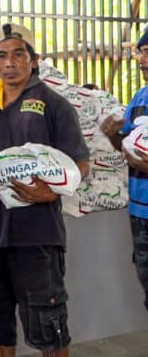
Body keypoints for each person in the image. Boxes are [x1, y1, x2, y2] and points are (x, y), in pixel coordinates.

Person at [0, 23, 90, 357]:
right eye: (2, 55)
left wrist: (53, 192)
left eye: (18, 54)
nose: (10, 62)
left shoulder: (54, 105)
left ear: (34, 60)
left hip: (36, 236)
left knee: (48, 323)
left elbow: (80, 163)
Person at [101, 28, 148, 314]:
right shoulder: (140, 98)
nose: (143, 60)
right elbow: (128, 147)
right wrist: (114, 135)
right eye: (142, 52)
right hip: (141, 213)